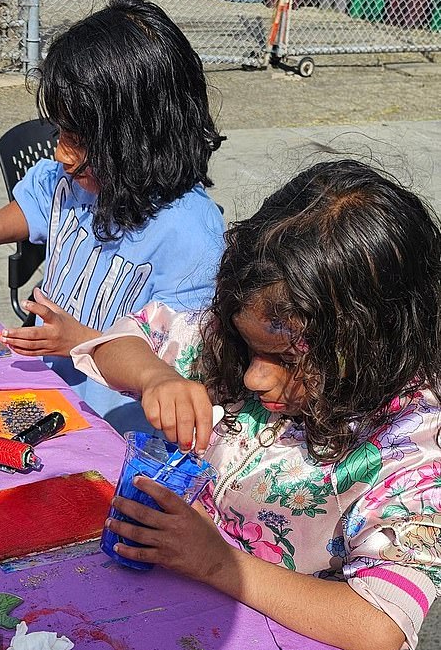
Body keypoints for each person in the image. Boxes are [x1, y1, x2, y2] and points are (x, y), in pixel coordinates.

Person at [70, 159, 441, 650]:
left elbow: (379, 625)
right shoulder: (238, 340)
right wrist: (155, 375)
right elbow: (115, 342)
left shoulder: (412, 450)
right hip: (155, 607)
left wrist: (216, 562)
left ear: (372, 347)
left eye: (285, 358)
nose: (252, 376)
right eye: (250, 349)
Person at [0, 0, 225, 432]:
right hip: (51, 391)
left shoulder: (191, 234)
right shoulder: (74, 180)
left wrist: (84, 343)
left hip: (116, 424)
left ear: (140, 137)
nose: (59, 152)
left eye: (75, 136)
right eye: (59, 131)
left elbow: (180, 368)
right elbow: (36, 203)